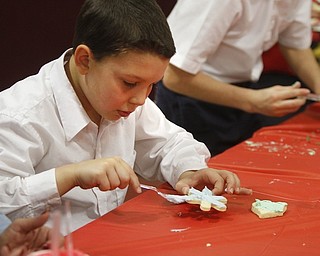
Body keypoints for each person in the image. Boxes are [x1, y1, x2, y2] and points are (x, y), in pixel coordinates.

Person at [0, 0, 251, 235]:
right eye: (130, 83)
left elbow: (170, 143)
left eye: (152, 85)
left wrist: (189, 170)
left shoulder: (125, 100)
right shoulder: (19, 116)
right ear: (85, 60)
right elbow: (3, 207)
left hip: (115, 236)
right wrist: (69, 176)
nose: (141, 99)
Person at [156, 0, 320, 156]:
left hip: (242, 93)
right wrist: (252, 100)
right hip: (192, 98)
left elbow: (294, 44)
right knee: (194, 175)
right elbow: (174, 76)